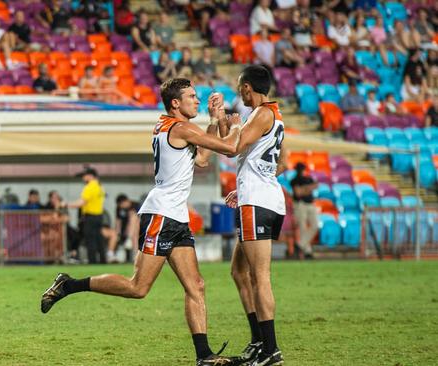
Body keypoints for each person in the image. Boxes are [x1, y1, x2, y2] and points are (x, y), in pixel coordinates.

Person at [41, 79, 243, 366]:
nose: (196, 101)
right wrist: (231, 122)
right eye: (191, 96)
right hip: (162, 215)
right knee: (138, 288)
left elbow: (201, 159)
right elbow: (231, 148)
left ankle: (204, 356)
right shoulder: (182, 128)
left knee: (196, 285)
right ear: (175, 103)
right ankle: (69, 285)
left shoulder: (168, 125)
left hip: (175, 216)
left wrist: (212, 122)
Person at [224, 65, 286, 366]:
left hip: (257, 203)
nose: (239, 93)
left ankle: (270, 349)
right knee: (238, 271)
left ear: (248, 87)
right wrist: (250, 181)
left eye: (240, 88)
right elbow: (281, 162)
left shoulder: (261, 114)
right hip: (265, 199)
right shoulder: (276, 117)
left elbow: (233, 146)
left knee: (260, 277)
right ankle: (258, 340)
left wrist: (233, 124)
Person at [62, 166, 106, 264]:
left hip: (90, 217)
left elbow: (82, 203)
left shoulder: (89, 187)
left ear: (90, 176)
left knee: (90, 240)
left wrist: (66, 204)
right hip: (99, 216)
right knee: (99, 240)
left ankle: (93, 261)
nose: (83, 178)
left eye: (84, 175)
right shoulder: (100, 186)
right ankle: (103, 260)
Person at [290, 162, 317, 259]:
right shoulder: (295, 180)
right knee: (302, 228)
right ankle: (308, 251)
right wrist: (307, 189)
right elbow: (298, 193)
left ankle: (300, 245)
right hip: (300, 204)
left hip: (310, 203)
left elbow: (315, 186)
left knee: (315, 226)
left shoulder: (307, 178)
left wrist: (304, 189)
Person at [115, 193, 139, 263]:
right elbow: (118, 221)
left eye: (122, 205)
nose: (122, 207)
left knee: (133, 217)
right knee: (115, 234)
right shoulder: (119, 208)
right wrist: (117, 232)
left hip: (137, 229)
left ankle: (136, 255)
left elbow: (139, 220)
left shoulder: (136, 205)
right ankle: (114, 255)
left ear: (126, 201)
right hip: (124, 230)